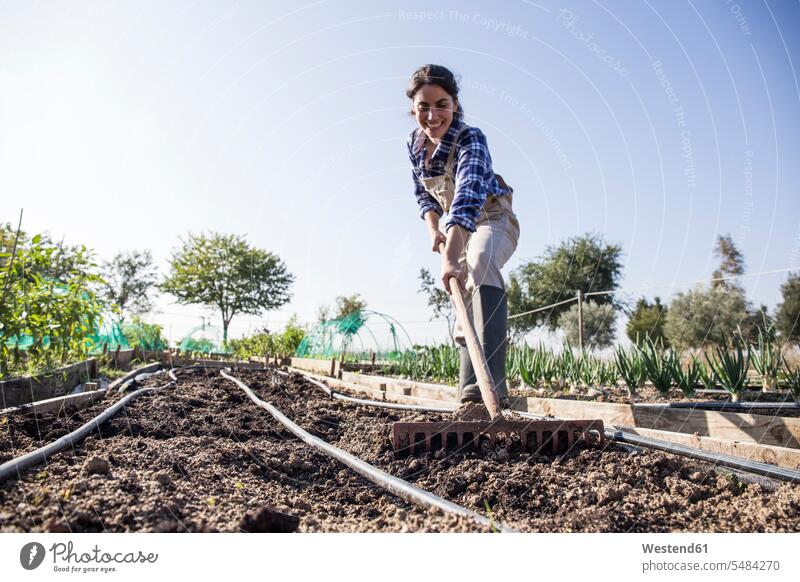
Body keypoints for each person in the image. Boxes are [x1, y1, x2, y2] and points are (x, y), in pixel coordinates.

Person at [405, 64, 520, 408]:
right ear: (413, 108)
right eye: (423, 107)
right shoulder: (415, 145)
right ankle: (470, 391)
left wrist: (452, 257)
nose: (432, 114)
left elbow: (468, 197)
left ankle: (494, 384)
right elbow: (424, 195)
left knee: (480, 261)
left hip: (493, 218)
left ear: (455, 103)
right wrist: (432, 229)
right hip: (456, 229)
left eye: (441, 104)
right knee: (463, 295)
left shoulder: (471, 138)